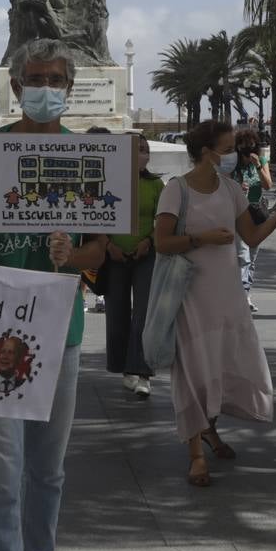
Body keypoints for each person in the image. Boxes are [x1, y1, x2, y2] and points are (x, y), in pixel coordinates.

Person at [0, 38, 107, 551]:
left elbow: (98, 253)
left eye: (55, 80)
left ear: (69, 87)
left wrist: (73, 256)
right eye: (35, 79)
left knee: (48, 468)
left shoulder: (88, 157)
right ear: (16, 88)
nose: (45, 89)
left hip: (61, 332)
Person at [153, 120, 276, 488]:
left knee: (220, 363)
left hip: (227, 293)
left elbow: (250, 235)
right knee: (192, 370)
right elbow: (161, 242)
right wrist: (201, 238)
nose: (233, 154)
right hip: (190, 295)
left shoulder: (232, 189)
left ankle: (209, 430)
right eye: (227, 147)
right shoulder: (176, 190)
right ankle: (196, 456)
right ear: (207, 152)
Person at [101, 132, 163, 398]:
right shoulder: (106, 182)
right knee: (117, 314)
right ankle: (124, 367)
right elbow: (95, 217)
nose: (143, 153)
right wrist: (107, 245)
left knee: (144, 313)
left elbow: (164, 219)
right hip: (114, 255)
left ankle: (144, 372)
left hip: (146, 254)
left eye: (145, 149)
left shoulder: (156, 184)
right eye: (138, 148)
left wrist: (149, 241)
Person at [232, 127, 273, 314]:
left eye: (251, 146)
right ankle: (241, 296)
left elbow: (268, 184)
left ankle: (245, 294)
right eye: (244, 146)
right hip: (239, 215)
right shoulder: (233, 164)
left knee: (252, 258)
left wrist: (258, 165)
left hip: (256, 213)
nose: (248, 150)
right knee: (243, 256)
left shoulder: (260, 161)